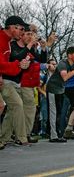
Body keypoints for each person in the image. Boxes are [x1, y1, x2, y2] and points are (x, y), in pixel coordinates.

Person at [0, 16, 31, 149]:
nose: (22, 32)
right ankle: (21, 137)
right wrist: (19, 65)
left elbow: (5, 66)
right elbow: (2, 64)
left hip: (6, 80)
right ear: (12, 27)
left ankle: (3, 139)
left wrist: (19, 66)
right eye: (21, 29)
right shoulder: (2, 40)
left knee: (9, 107)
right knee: (16, 105)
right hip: (8, 82)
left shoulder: (7, 42)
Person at [46, 47, 74, 142]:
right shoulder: (62, 63)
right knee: (54, 113)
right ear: (69, 55)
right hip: (53, 89)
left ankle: (58, 134)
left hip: (61, 90)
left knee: (59, 113)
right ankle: (53, 136)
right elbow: (65, 77)